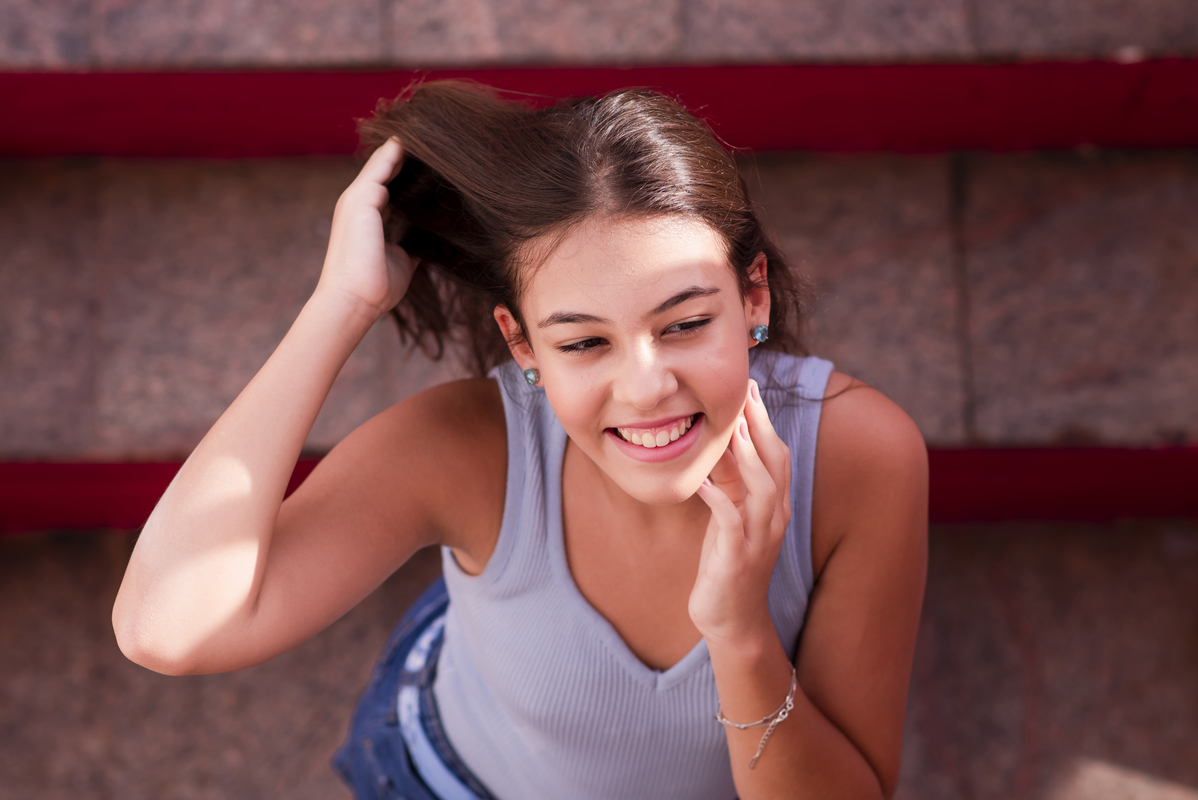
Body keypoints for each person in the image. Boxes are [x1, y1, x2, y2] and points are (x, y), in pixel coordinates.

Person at [112, 81, 928, 800]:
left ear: (753, 297)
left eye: (684, 324)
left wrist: (741, 632)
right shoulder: (470, 447)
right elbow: (164, 629)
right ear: (523, 343)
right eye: (584, 342)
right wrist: (341, 304)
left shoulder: (859, 457)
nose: (645, 387)